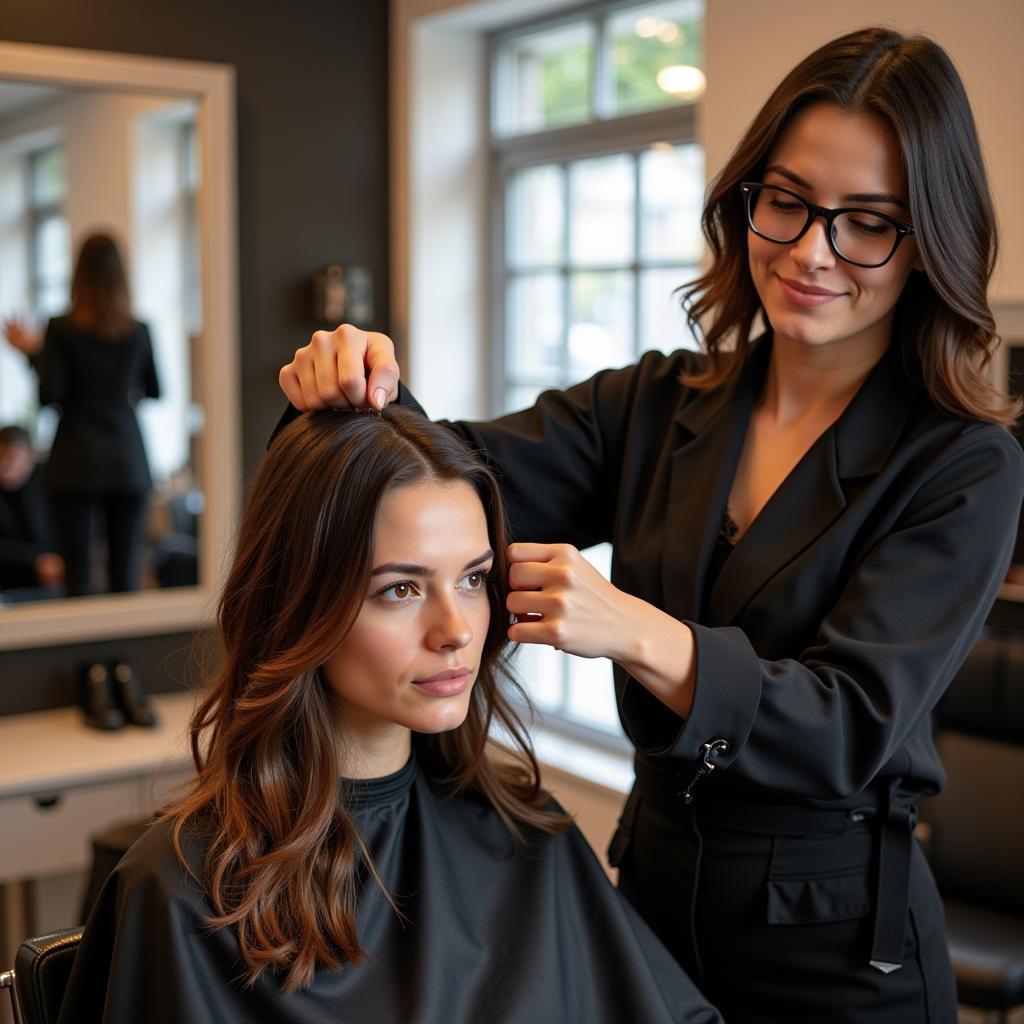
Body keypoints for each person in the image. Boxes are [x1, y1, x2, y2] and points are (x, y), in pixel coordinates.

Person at [278, 27, 1024, 1024]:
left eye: (867, 223)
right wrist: (360, 390)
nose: (811, 251)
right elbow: (449, 480)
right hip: (652, 902)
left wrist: (632, 627)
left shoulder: (961, 463)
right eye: (788, 203)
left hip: (838, 950)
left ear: (928, 236)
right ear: (744, 199)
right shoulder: (658, 405)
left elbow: (846, 721)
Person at [60, 407, 721, 1024]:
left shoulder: (522, 831)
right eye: (400, 589)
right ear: (300, 604)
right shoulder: (180, 892)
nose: (455, 629)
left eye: (471, 579)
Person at [3, 232, 160, 596]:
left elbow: (49, 395)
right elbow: (154, 390)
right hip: (126, 459)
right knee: (125, 579)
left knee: (78, 579)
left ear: (78, 274)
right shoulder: (139, 331)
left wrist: (33, 355)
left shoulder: (60, 328)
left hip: (75, 460)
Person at [0, 425, 64, 599]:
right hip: (8, 581)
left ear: (31, 456)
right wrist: (35, 560)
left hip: (54, 579)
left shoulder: (51, 486)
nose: (4, 465)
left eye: (12, 457)